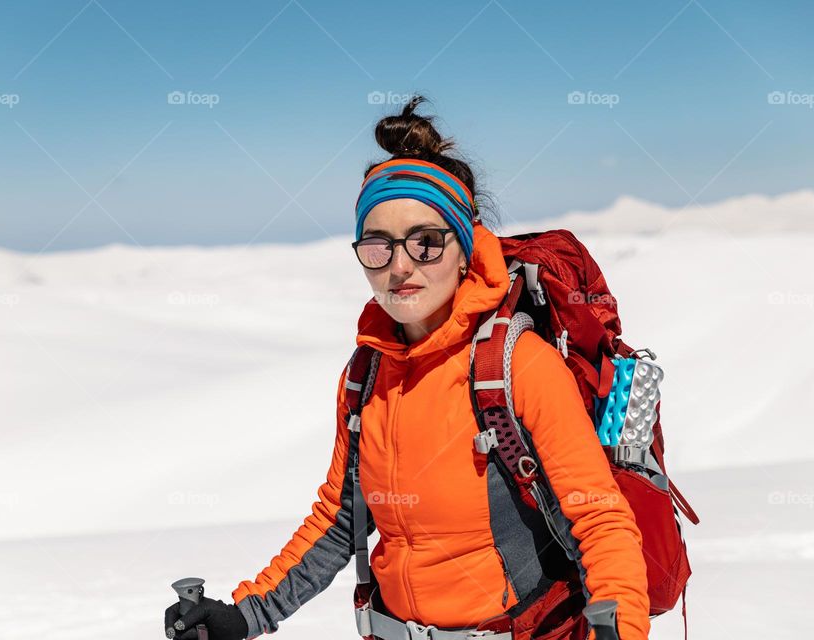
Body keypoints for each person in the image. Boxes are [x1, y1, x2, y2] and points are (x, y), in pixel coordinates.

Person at [164, 95, 650, 640]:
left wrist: (621, 628)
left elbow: (598, 519)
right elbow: (340, 522)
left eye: (426, 243)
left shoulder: (516, 365)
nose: (400, 267)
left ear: (465, 250)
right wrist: (243, 615)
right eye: (378, 246)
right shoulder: (365, 376)